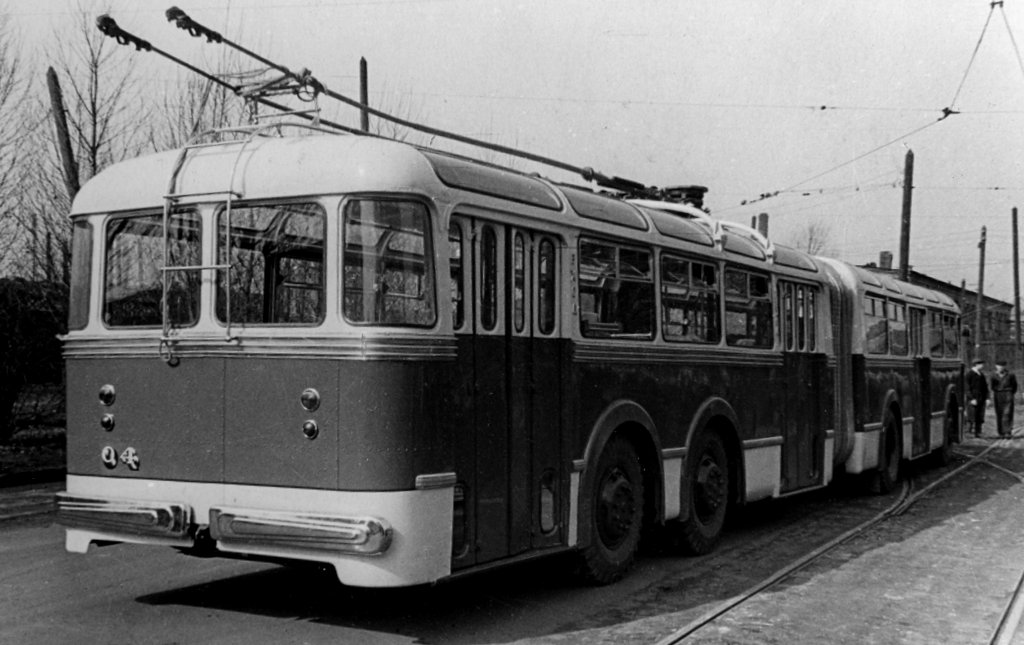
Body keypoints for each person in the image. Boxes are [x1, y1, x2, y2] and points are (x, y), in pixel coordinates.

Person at [990, 360, 1018, 438]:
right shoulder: (993, 375)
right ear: (996, 366)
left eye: (1002, 366)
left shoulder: (1011, 375)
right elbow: (992, 386)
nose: (1000, 368)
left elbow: (1015, 386)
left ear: (1005, 366)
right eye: (998, 366)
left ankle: (1007, 432)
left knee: (1007, 413)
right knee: (999, 413)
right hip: (998, 394)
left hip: (1008, 393)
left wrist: (1010, 393)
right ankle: (1001, 432)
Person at [966, 358, 989, 437]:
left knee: (980, 415)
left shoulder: (981, 375)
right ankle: (969, 432)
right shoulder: (969, 374)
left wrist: (987, 398)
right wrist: (971, 398)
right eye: (981, 364)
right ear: (976, 365)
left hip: (981, 398)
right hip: (973, 398)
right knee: (972, 415)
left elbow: (985, 387)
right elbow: (967, 387)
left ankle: (978, 432)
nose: (982, 366)